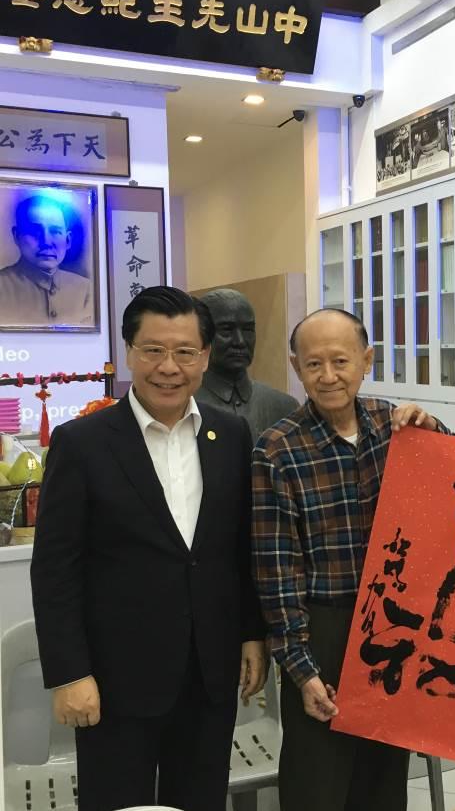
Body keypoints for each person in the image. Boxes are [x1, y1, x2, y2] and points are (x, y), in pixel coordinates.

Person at [31, 286, 267, 811]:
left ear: (204, 357)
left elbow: (237, 547)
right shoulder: (82, 443)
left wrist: (252, 633)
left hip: (209, 673)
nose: (169, 367)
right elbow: (54, 570)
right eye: (153, 350)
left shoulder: (230, 435)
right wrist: (69, 673)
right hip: (115, 680)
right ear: (129, 352)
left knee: (200, 800)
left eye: (185, 351)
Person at [251, 307, 451, 811]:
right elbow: (278, 572)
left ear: (367, 360)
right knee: (317, 785)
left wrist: (435, 428)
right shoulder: (277, 450)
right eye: (313, 364)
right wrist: (301, 668)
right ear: (296, 369)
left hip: (393, 625)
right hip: (324, 629)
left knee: (383, 780)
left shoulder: (395, 425)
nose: (328, 376)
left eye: (340, 361)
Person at [195, 287, 299, 443]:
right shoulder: (185, 405)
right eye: (226, 330)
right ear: (201, 335)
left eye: (248, 330)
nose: (240, 341)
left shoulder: (284, 406)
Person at [0, 193, 92, 327]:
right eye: (34, 231)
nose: (46, 242)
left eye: (55, 231)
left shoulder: (86, 289)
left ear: (67, 240)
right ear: (17, 236)